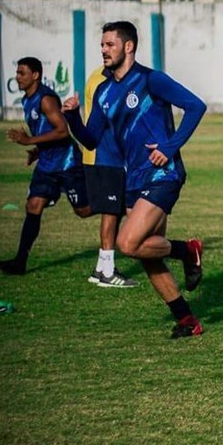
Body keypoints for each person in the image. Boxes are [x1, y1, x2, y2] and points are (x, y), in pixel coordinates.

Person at [63, 21, 208, 339]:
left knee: (128, 243)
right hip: (133, 179)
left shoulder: (150, 79)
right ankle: (187, 320)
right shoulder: (103, 91)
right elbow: (90, 139)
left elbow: (196, 106)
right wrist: (72, 115)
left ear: (128, 46)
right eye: (101, 45)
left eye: (109, 44)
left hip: (163, 174)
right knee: (146, 253)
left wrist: (170, 147)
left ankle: (188, 251)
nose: (103, 50)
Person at [0, 57, 93, 274]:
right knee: (33, 206)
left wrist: (28, 141)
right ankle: (20, 262)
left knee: (83, 211)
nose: (18, 77)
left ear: (35, 75)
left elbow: (62, 130)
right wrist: (37, 152)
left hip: (67, 163)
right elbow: (45, 131)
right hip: (47, 166)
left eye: (22, 73)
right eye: (17, 73)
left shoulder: (45, 99)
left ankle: (118, 205)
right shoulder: (27, 100)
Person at [79, 65, 138, 288]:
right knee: (110, 213)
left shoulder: (107, 78)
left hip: (111, 157)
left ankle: (101, 268)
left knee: (115, 212)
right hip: (103, 157)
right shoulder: (101, 82)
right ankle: (108, 272)